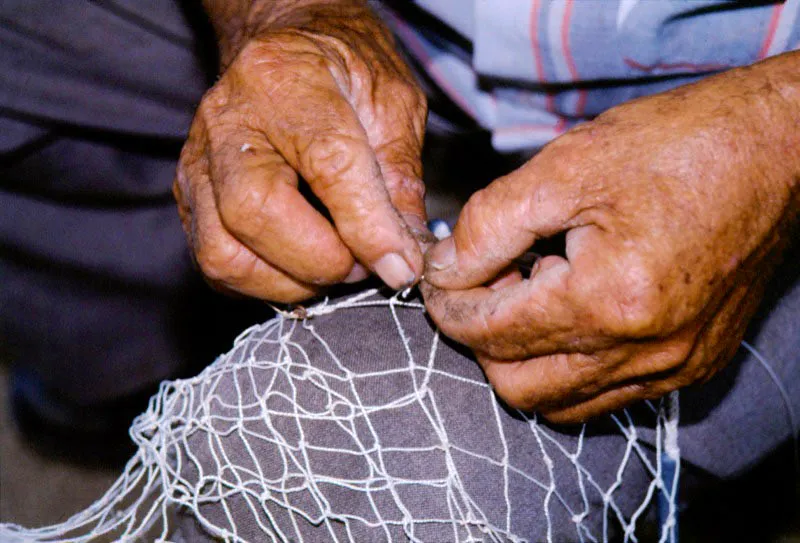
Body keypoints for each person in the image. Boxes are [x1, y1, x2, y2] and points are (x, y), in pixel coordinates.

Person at [1, 0, 798, 538]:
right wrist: (280, 13)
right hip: (412, 28)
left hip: (753, 96)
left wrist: (776, 136)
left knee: (354, 451)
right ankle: (128, 361)